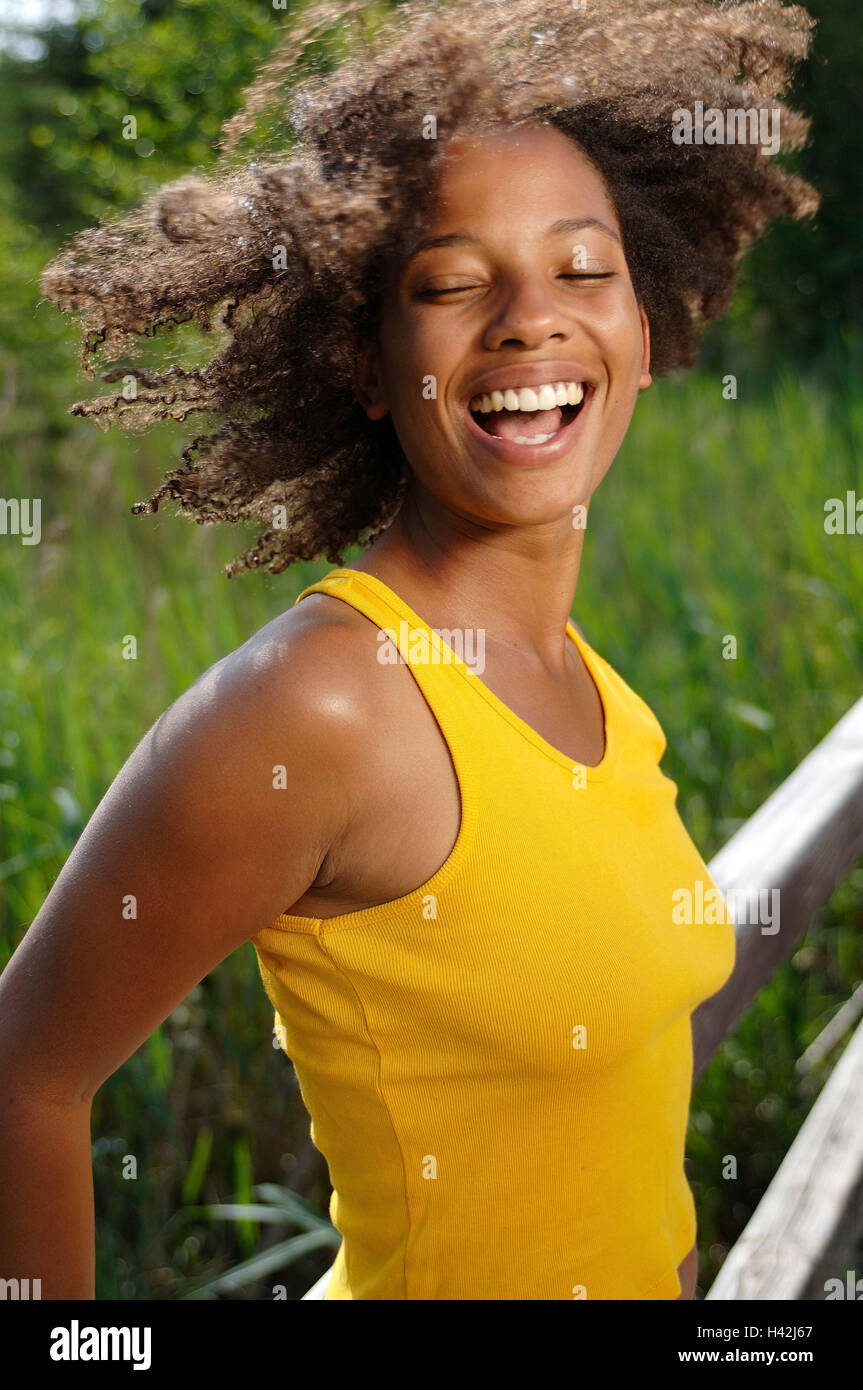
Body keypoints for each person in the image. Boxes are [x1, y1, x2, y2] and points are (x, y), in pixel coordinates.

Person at [1, 0, 819, 1300]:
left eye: (582, 269)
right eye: (450, 283)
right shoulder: (318, 705)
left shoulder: (598, 687)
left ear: (647, 330)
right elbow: (24, 1076)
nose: (528, 320)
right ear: (369, 362)